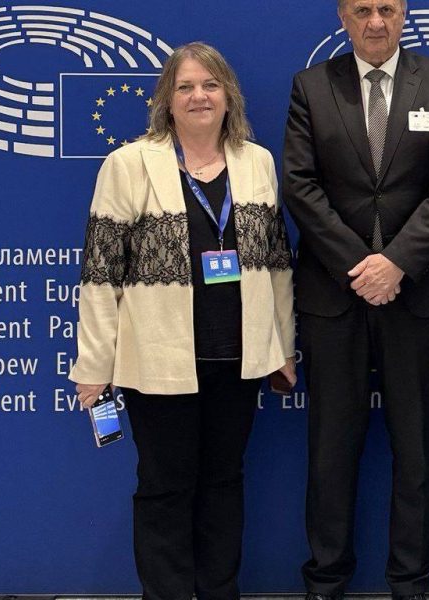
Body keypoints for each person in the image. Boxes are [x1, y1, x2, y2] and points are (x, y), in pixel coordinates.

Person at [70, 41, 296, 600]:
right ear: (166, 100)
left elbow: (276, 265)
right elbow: (100, 275)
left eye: (211, 85)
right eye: (186, 87)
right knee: (165, 488)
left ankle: (219, 592)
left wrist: (283, 348)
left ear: (229, 96)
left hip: (238, 359)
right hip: (158, 362)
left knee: (223, 483)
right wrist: (93, 365)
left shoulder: (257, 162)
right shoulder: (128, 164)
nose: (200, 96)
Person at [281, 0, 429, 598]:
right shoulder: (312, 86)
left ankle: (410, 584)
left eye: (387, 9)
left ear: (403, 13)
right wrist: (359, 267)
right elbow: (300, 185)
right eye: (362, 9)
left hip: (414, 293)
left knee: (417, 453)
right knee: (330, 450)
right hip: (333, 295)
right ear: (343, 16)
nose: (375, 22)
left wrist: (396, 263)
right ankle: (325, 582)